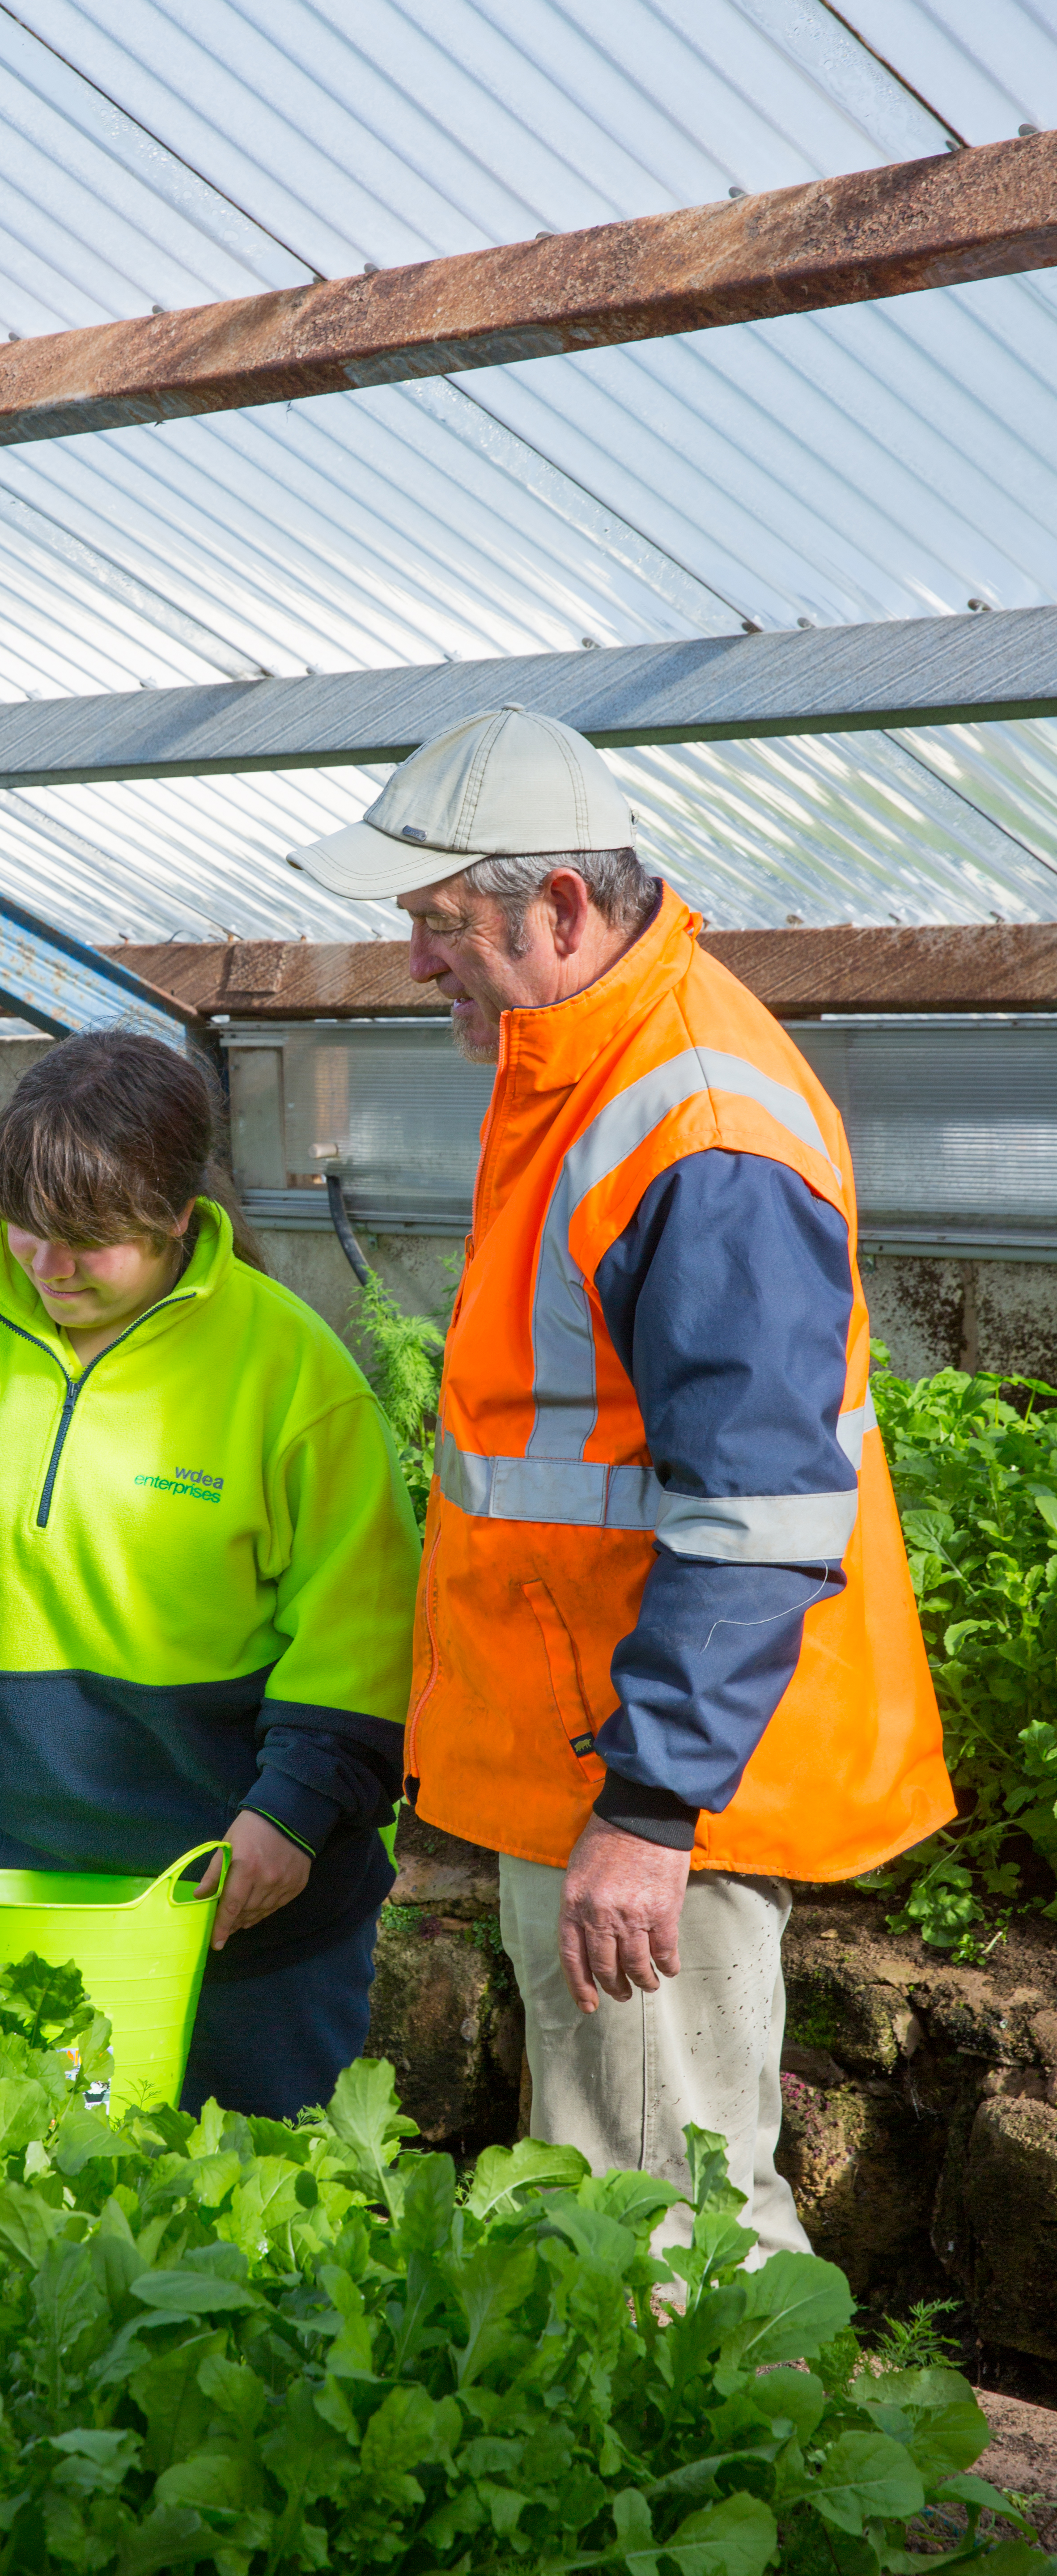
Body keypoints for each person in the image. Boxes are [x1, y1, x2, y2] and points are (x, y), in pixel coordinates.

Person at [287, 704, 953, 2245]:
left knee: (658, 2200)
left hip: (655, 1765)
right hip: (602, 1735)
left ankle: (724, 2474)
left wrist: (650, 1813)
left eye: (438, 921)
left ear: (564, 909)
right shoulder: (591, 1071)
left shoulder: (698, 1125)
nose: (415, 961)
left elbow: (759, 1510)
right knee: (623, 2159)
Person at [0, 1031, 420, 2122]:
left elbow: (364, 1629)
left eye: (86, 1242)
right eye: (27, 1230)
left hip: (233, 1909)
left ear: (172, 1216)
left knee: (253, 2222)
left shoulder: (295, 1375)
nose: (47, 1264)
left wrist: (292, 1817)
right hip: (4, 1884)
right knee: (20, 2221)